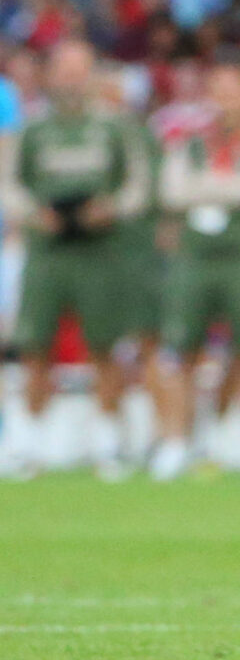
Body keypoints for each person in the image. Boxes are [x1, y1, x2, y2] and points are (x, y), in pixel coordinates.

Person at [5, 40, 153, 476]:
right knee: (33, 348)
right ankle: (25, 443)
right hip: (48, 252)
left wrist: (111, 208)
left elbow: (138, 185)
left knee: (104, 347)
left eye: (79, 70)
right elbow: (9, 183)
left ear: (92, 76)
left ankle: (108, 442)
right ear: (50, 76)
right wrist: (34, 213)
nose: (71, 79)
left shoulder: (114, 128)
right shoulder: (33, 129)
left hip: (99, 252)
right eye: (63, 70)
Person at [149, 50, 240, 480]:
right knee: (180, 351)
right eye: (218, 91)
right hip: (196, 258)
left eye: (234, 91)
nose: (225, 101)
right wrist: (232, 188)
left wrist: (208, 189)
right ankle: (175, 442)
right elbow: (172, 191)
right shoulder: (189, 142)